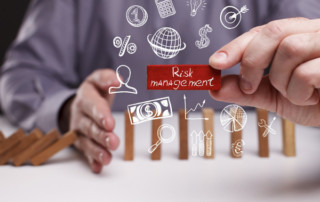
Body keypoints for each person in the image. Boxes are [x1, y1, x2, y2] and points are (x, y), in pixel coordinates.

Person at [1, 0, 320, 173]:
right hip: (112, 168)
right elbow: (23, 73)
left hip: (257, 172)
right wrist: (68, 108)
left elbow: (309, 51)